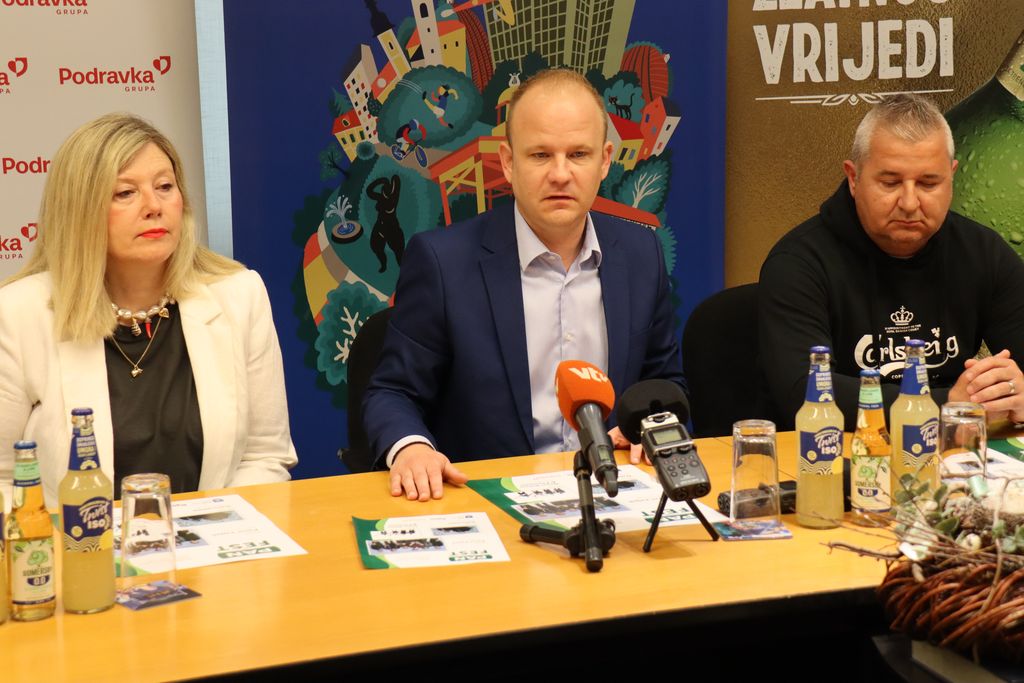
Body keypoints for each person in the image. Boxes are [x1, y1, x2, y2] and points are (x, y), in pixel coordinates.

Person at [364, 68, 684, 501]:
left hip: (615, 496)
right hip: (491, 500)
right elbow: (393, 392)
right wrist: (412, 448)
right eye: (540, 155)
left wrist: (645, 425)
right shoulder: (443, 263)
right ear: (509, 162)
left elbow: (665, 383)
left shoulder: (641, 253)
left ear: (605, 160)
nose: (560, 174)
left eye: (578, 154)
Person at [0, 113, 297, 507]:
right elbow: (4, 478)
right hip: (77, 542)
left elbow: (264, 457)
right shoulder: (18, 314)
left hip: (213, 538)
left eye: (165, 186)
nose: (154, 206)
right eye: (126, 193)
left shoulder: (239, 295)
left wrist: (208, 533)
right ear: (79, 210)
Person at [759, 93, 1024, 430]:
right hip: (834, 451)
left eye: (928, 183)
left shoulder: (983, 252)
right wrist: (947, 405)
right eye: (890, 182)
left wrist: (1013, 393)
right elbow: (802, 391)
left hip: (954, 450)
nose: (910, 203)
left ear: (952, 176)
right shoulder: (798, 263)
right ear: (853, 178)